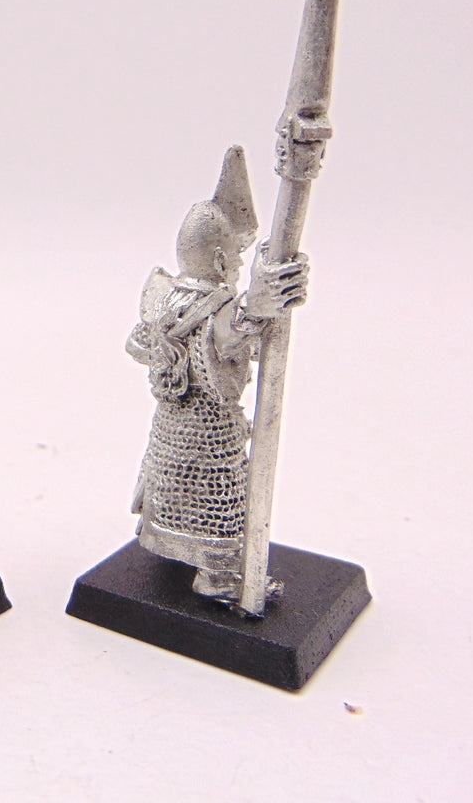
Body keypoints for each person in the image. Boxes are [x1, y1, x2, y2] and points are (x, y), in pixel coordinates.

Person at [125, 146, 308, 603]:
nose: (239, 267)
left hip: (170, 430)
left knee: (171, 487)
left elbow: (138, 343)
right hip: (209, 435)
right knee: (218, 501)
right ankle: (219, 578)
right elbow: (230, 328)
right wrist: (259, 303)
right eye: (238, 260)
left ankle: (170, 545)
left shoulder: (164, 297)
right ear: (223, 261)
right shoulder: (216, 307)